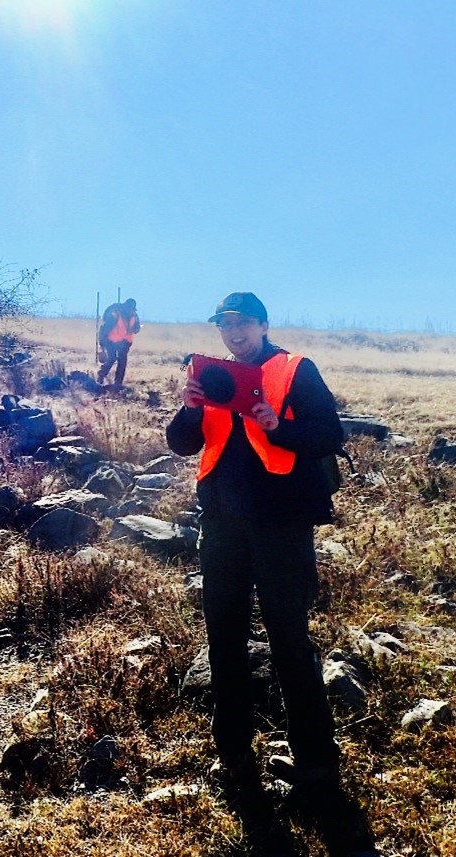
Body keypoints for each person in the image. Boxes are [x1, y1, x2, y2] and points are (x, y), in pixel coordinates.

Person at [165, 292, 376, 857]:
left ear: (262, 324)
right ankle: (233, 754)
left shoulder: (294, 369)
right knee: (223, 641)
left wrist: (276, 424)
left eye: (243, 323)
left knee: (289, 642)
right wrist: (188, 407)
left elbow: (329, 435)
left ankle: (314, 768)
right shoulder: (209, 375)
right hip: (223, 527)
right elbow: (182, 443)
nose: (234, 333)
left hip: (281, 526)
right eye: (225, 324)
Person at [96, 298, 141, 385]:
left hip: (125, 343)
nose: (131, 311)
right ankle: (101, 376)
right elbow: (104, 329)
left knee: (122, 361)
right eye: (130, 308)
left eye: (132, 309)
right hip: (111, 341)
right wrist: (102, 343)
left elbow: (136, 329)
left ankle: (118, 383)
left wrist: (136, 328)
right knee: (111, 358)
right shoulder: (115, 315)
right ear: (125, 307)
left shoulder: (134, 316)